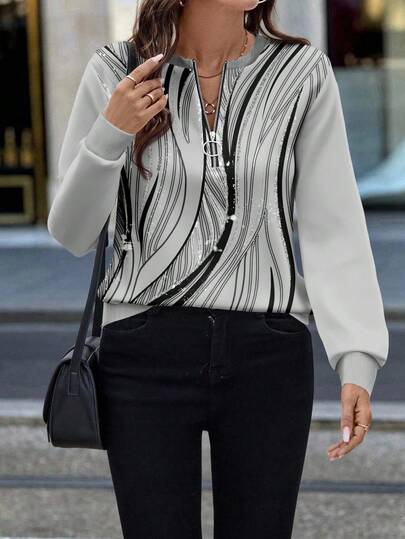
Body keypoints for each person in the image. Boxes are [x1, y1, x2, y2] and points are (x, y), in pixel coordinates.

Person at [47, 0, 389, 537]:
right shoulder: (115, 71)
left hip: (268, 354)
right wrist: (110, 132)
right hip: (142, 354)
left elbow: (334, 223)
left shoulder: (301, 73)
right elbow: (72, 233)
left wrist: (357, 358)